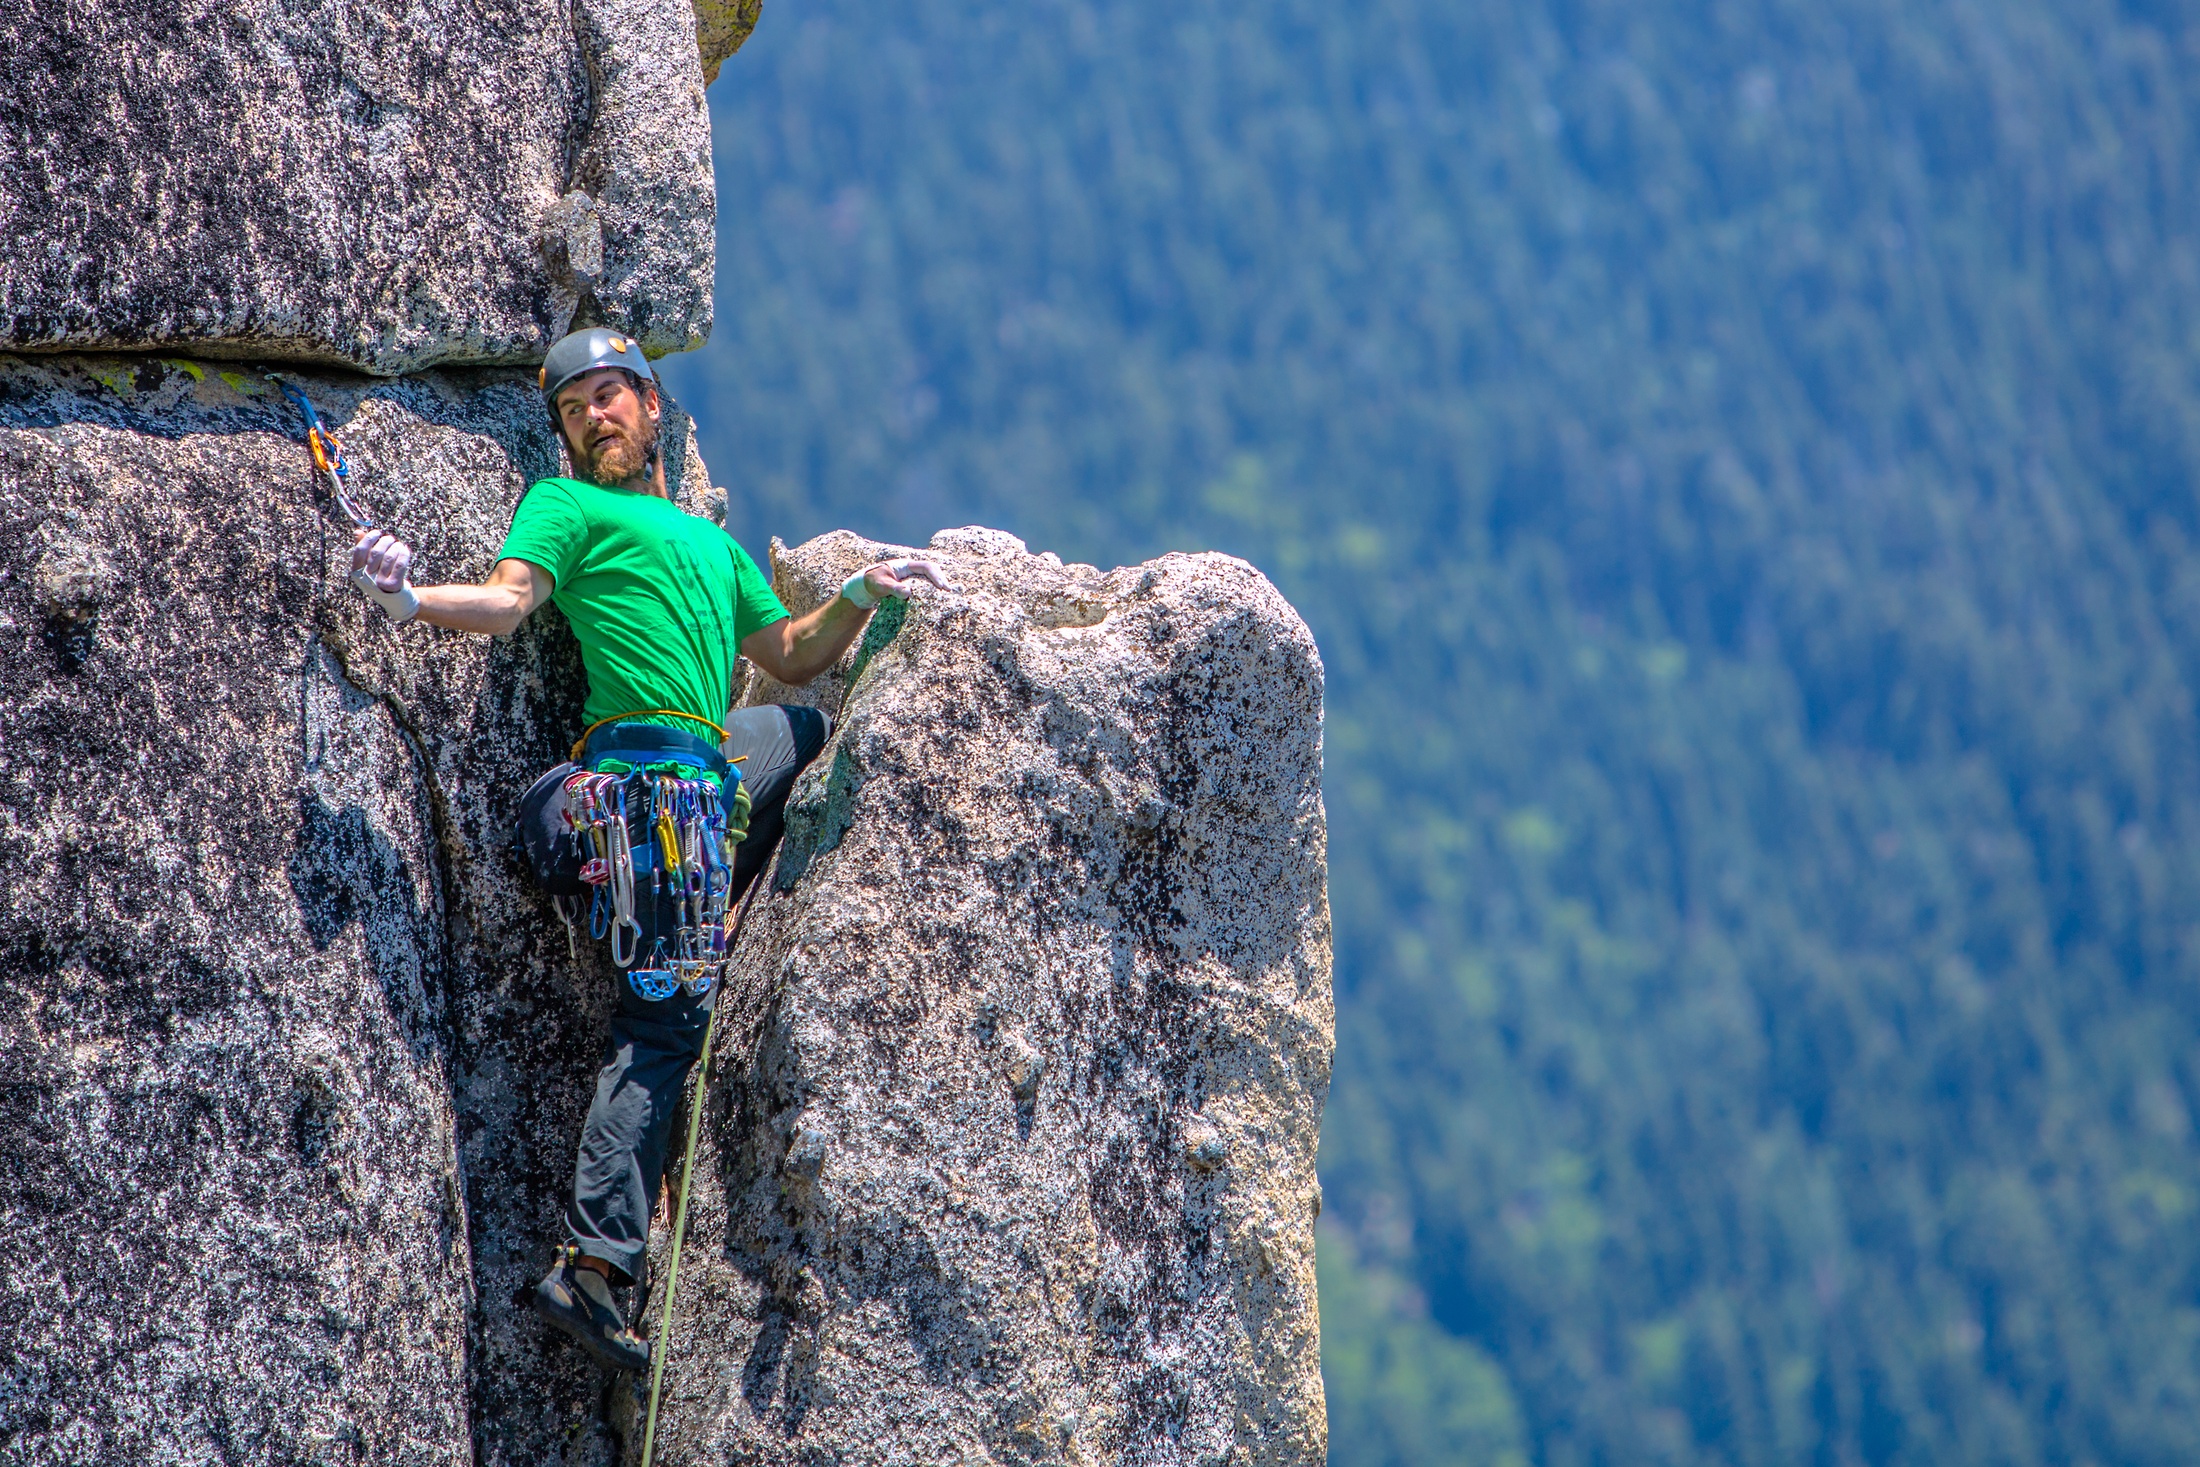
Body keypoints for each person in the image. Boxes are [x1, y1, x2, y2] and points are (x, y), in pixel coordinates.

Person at [345, 327, 955, 1373]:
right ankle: (591, 1264)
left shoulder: (714, 548)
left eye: (613, 394)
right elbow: (508, 599)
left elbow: (794, 658)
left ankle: (686, 898)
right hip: (625, 785)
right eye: (577, 403)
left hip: (696, 779)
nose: (596, 414)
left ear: (651, 407)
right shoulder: (567, 506)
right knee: (668, 1019)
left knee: (797, 733)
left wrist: (859, 590)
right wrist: (408, 598)